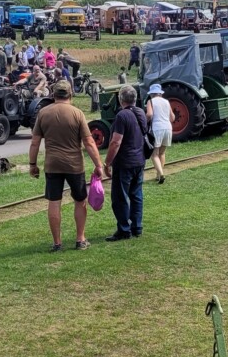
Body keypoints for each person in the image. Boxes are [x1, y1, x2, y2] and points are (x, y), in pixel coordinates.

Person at [27, 80, 104, 252]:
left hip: (52, 164)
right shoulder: (77, 113)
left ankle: (57, 243)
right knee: (80, 200)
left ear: (53, 94)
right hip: (74, 164)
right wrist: (98, 165)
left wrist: (32, 165)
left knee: (54, 202)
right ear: (70, 94)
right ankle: (80, 239)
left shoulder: (43, 113)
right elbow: (89, 142)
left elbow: (35, 143)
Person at [103, 85, 149, 241]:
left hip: (125, 163)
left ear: (120, 99)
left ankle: (124, 229)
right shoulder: (140, 112)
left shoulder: (122, 116)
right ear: (135, 98)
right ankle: (137, 227)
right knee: (136, 195)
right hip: (139, 160)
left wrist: (107, 163)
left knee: (120, 197)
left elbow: (116, 142)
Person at [144, 83, 172, 184]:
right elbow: (172, 117)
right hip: (168, 127)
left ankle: (161, 174)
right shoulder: (167, 102)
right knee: (162, 153)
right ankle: (158, 175)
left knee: (154, 154)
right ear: (160, 93)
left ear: (151, 94)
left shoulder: (150, 101)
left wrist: (145, 121)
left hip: (157, 128)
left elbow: (149, 114)